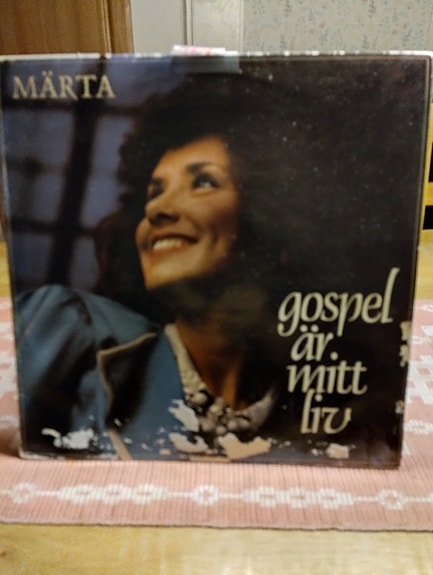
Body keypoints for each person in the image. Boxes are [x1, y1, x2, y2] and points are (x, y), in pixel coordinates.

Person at [15, 73, 326, 461]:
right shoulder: (68, 330)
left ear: (273, 219)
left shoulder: (319, 402)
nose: (156, 208)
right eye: (154, 192)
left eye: (203, 182)